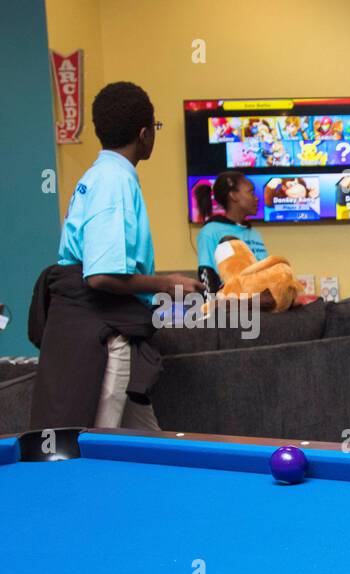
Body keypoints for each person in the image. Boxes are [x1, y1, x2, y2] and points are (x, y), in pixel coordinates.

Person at [28, 82, 204, 431]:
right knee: (96, 449)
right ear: (144, 134)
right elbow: (101, 276)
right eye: (154, 127)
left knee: (148, 442)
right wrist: (170, 284)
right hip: (102, 336)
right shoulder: (114, 181)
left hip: (94, 326)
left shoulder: (98, 175)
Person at [194, 170, 267, 290]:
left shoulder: (254, 234)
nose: (256, 198)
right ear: (233, 195)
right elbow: (207, 275)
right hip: (230, 305)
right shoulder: (210, 232)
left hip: (260, 304)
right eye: (251, 192)